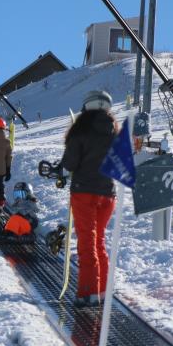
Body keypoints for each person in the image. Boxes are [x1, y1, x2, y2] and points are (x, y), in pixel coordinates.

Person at [59, 90, 116, 308]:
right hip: (108, 194)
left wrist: (62, 169)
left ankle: (87, 292)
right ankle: (101, 291)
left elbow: (70, 163)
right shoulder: (114, 132)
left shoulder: (80, 131)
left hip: (84, 191)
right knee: (99, 240)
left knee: (86, 242)